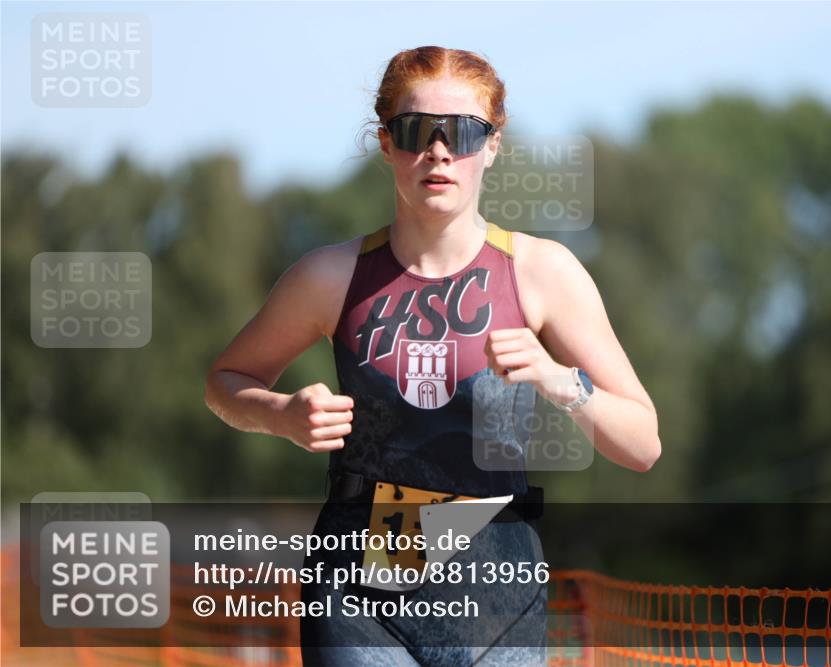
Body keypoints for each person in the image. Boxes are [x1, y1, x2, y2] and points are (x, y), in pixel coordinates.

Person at [204, 45, 660, 667]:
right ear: (386, 143)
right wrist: (280, 414)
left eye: (463, 132)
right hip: (357, 588)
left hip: (498, 587)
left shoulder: (542, 272)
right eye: (417, 130)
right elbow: (225, 381)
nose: (440, 151)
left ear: (492, 146)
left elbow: (642, 444)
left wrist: (561, 382)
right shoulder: (329, 276)